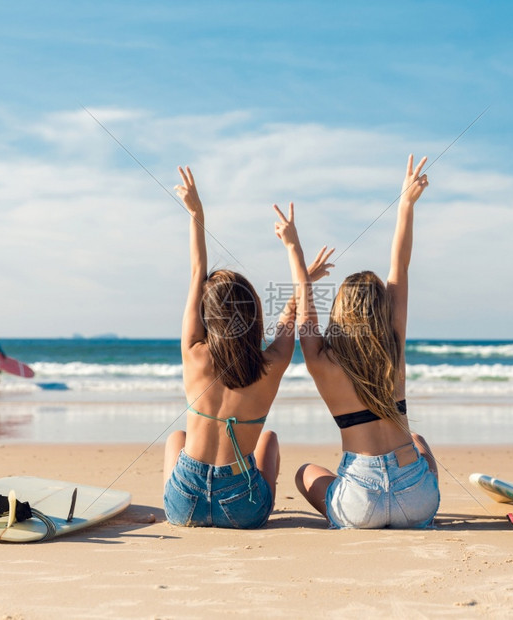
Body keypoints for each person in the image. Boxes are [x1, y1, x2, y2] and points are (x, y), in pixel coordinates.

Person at [274, 154, 440, 529]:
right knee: (419, 441)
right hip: (417, 500)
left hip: (359, 501)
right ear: (383, 311)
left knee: (305, 473)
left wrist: (294, 250)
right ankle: (416, 505)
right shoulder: (393, 346)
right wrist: (406, 205)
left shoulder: (321, 360)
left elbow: (304, 306)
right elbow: (400, 266)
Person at [163, 166, 333, 529]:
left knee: (176, 438)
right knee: (267, 440)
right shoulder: (270, 365)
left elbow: (197, 273)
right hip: (241, 508)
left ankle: (182, 504)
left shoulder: (194, 352)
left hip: (183, 503)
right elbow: (296, 319)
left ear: (208, 317)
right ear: (253, 313)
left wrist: (196, 214)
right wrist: (297, 258)